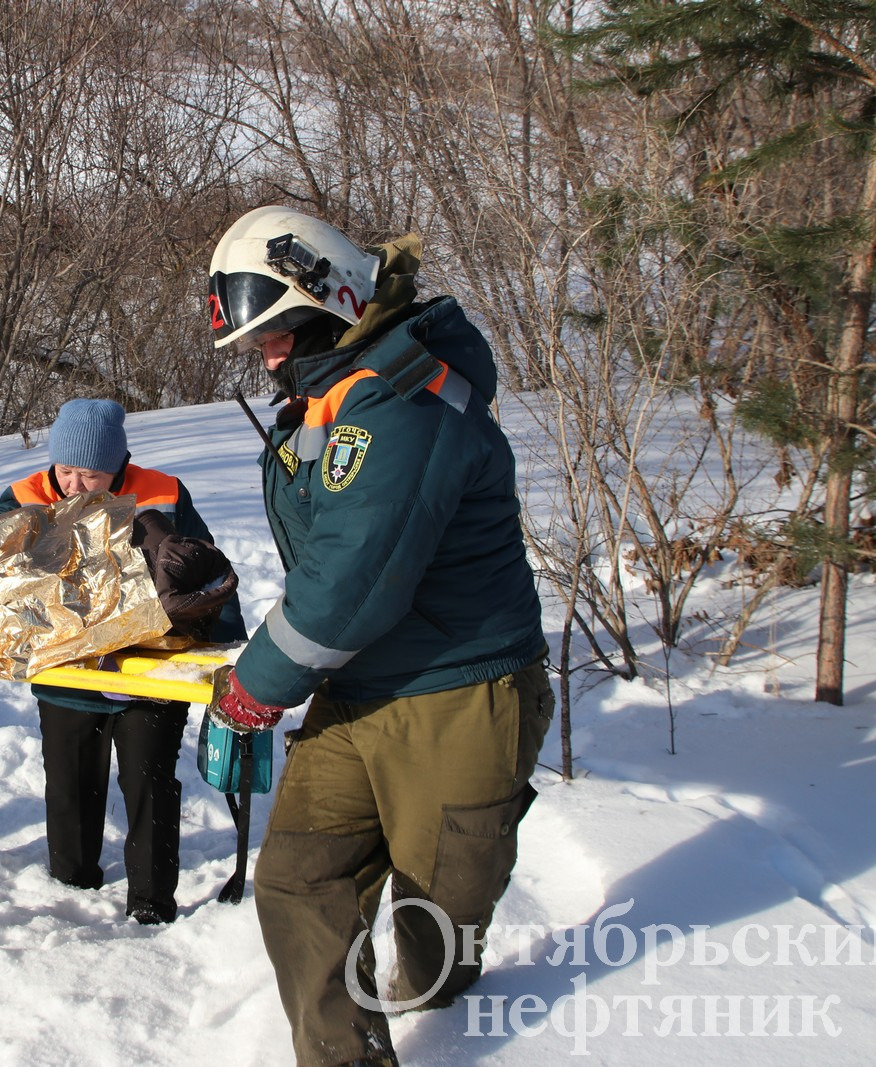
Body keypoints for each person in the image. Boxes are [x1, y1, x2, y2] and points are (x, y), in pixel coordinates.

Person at [204, 206, 553, 1065]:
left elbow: (352, 582)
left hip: (458, 689)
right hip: (359, 688)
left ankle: (452, 1013)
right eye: (260, 342)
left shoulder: (403, 400)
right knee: (297, 879)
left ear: (333, 298)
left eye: (278, 333)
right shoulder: (338, 394)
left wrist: (257, 682)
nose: (270, 356)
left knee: (438, 921)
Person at [0, 398, 246, 925]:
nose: (74, 486)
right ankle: (71, 881)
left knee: (148, 782)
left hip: (153, 671)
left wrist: (226, 656)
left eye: (91, 474)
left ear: (119, 463)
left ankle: (152, 903)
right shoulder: (22, 499)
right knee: (69, 781)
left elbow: (207, 575)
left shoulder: (165, 494)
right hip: (67, 670)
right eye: (65, 471)